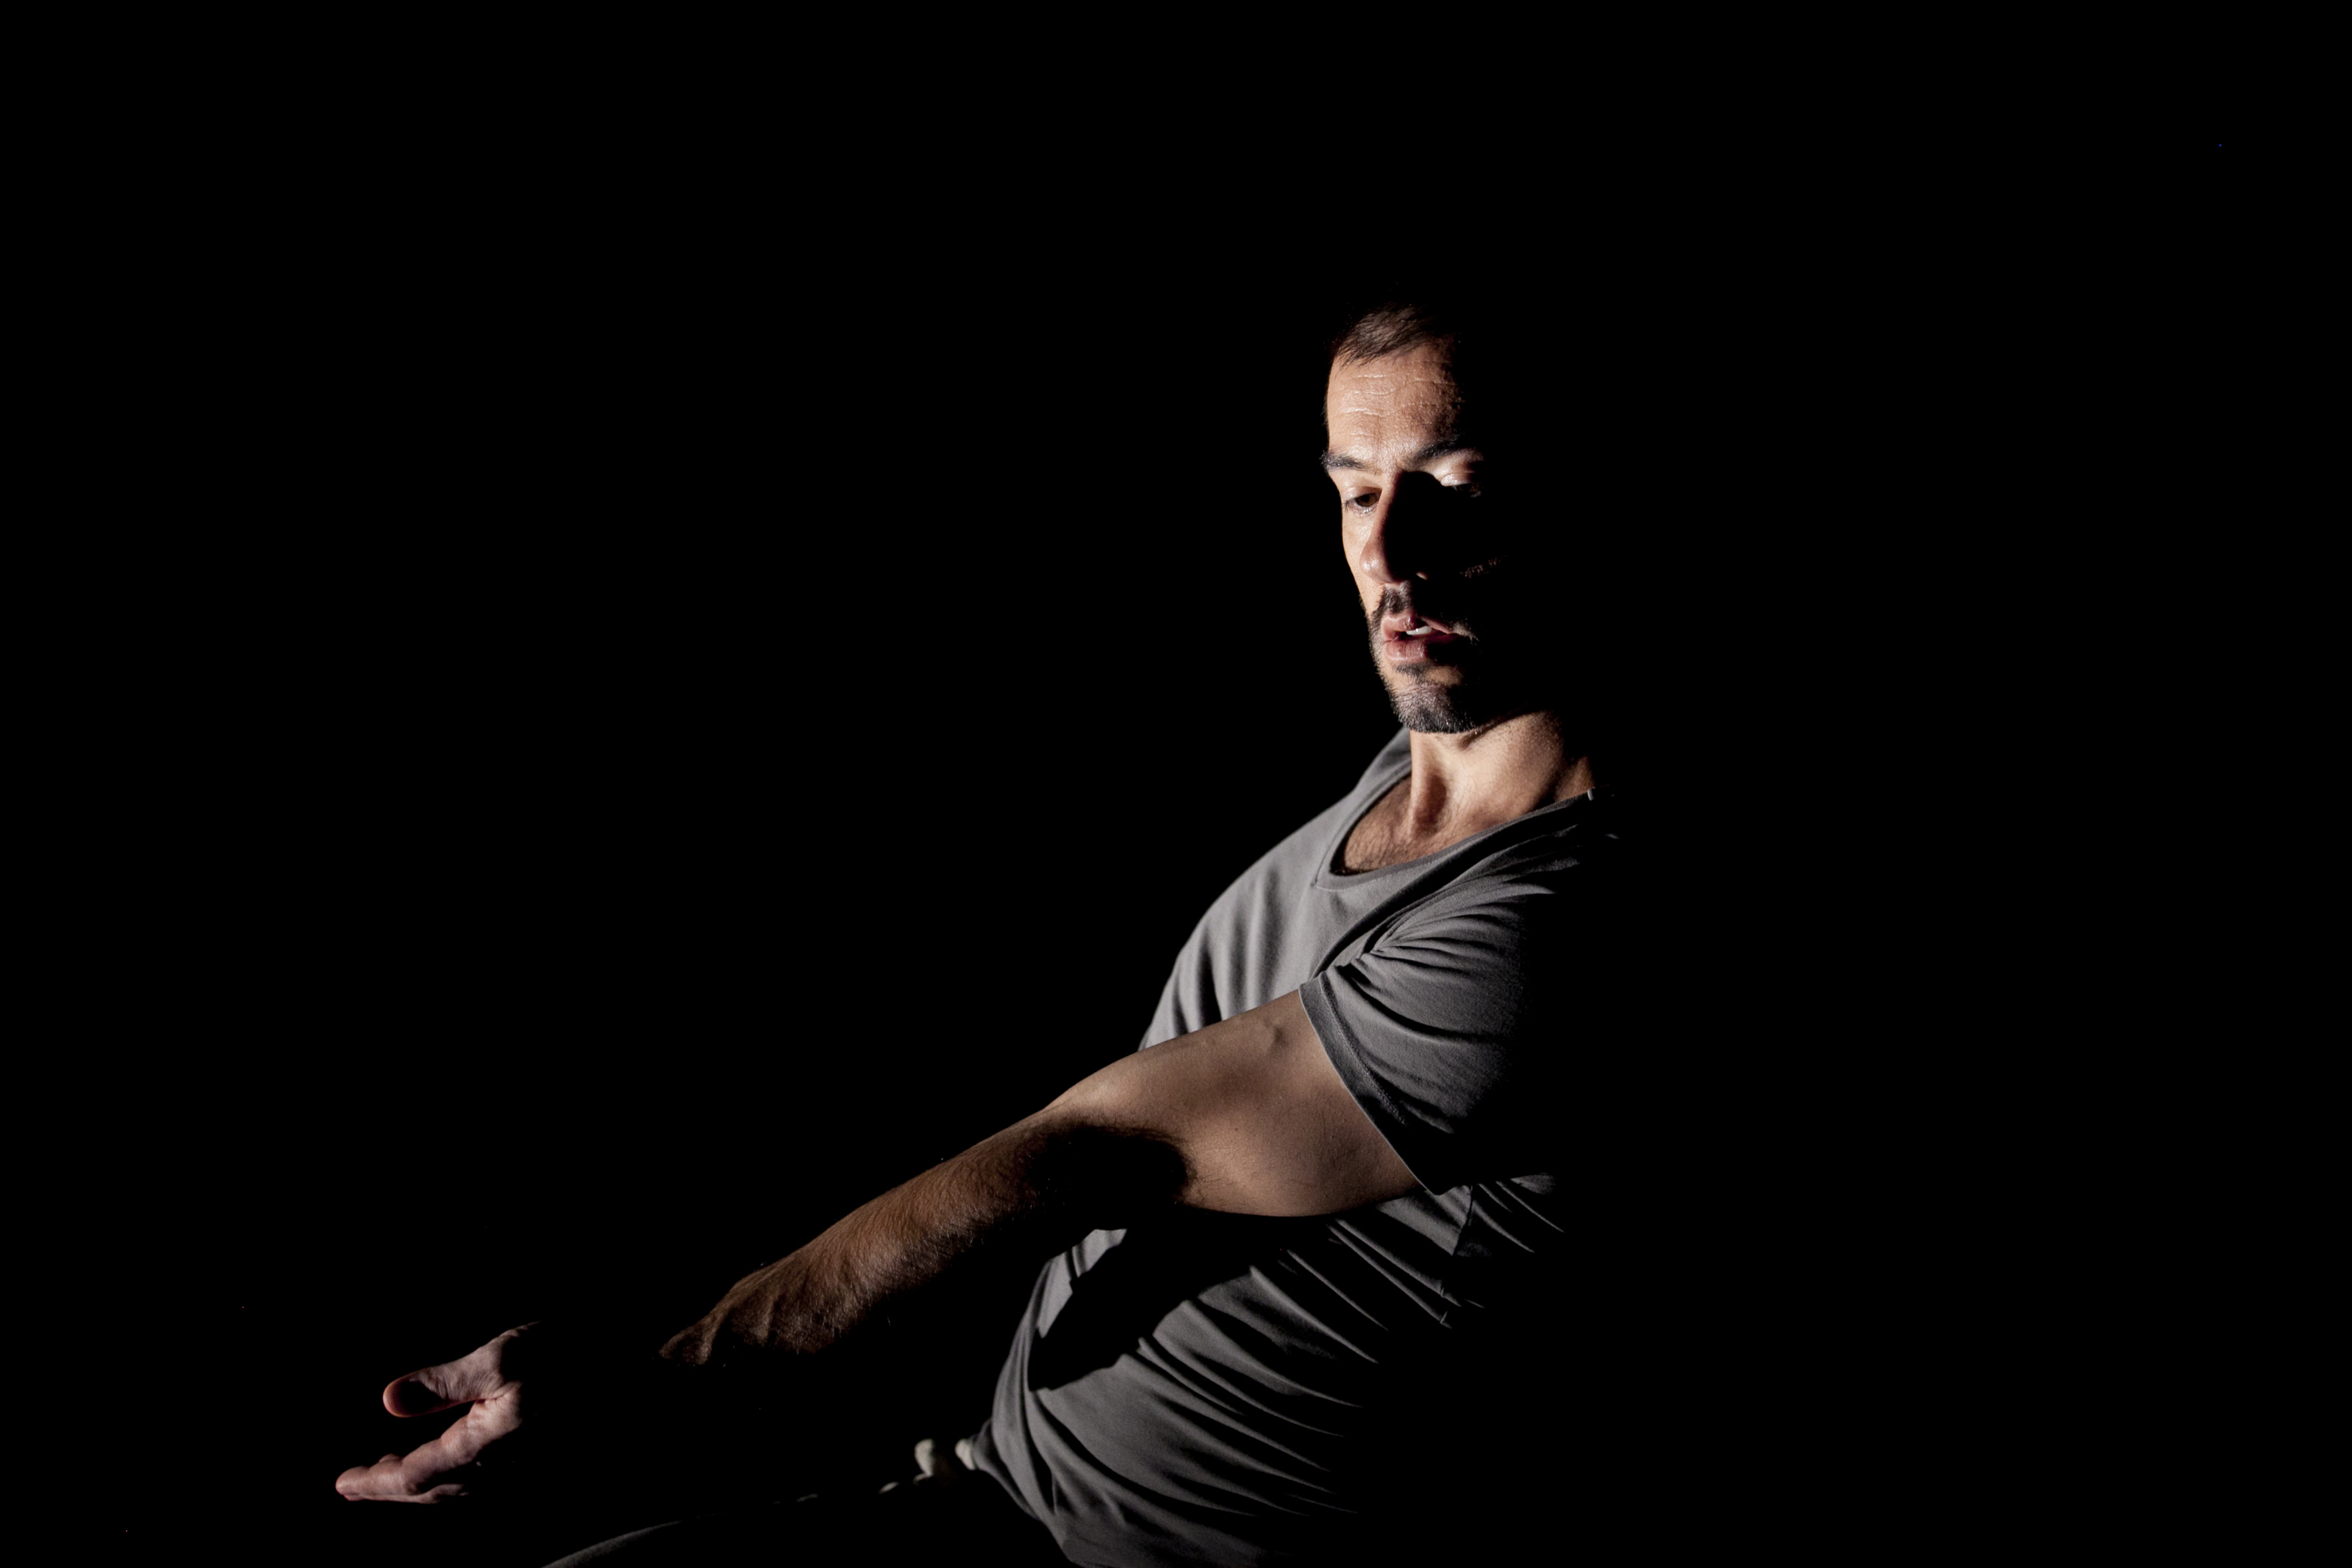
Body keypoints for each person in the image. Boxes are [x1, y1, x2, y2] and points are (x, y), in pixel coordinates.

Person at [336, 297, 1656, 1565]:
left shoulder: (1563, 923)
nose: (1393, 550)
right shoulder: (1410, 781)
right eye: (1357, 492)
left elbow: (1097, 1151)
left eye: (1460, 482)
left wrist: (673, 1379)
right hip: (996, 1478)